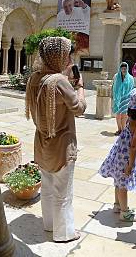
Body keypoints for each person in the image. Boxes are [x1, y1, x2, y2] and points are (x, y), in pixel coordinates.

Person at [25, 36, 86, 243]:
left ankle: (50, 225)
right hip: (61, 145)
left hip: (42, 142)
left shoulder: (35, 78)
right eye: (66, 54)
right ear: (57, 56)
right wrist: (79, 87)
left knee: (48, 187)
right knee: (63, 191)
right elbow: (79, 108)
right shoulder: (59, 81)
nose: (68, 58)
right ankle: (65, 233)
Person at [98, 86, 136, 222]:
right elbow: (134, 145)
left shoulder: (130, 119)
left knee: (118, 181)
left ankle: (117, 205)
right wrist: (131, 164)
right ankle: (125, 212)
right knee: (123, 184)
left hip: (119, 153)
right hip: (127, 157)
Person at [111, 62, 135, 135]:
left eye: (125, 68)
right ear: (120, 69)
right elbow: (113, 86)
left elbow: (132, 88)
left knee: (124, 116)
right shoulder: (116, 76)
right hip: (117, 99)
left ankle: (124, 130)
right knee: (118, 115)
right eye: (122, 68)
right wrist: (112, 95)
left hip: (126, 99)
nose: (124, 70)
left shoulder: (130, 78)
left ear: (127, 69)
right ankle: (119, 129)